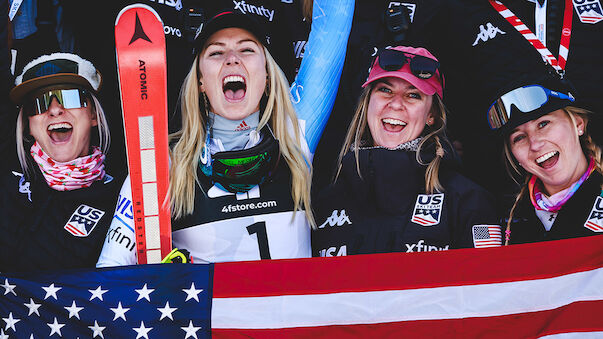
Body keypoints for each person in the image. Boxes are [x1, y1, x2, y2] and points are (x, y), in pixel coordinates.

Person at [97, 0, 354, 266]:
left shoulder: (293, 137)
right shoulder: (164, 166)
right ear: (200, 81)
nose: (233, 58)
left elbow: (335, 22)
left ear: (266, 75)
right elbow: (109, 270)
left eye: (247, 49)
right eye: (216, 53)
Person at [312, 46, 501, 257]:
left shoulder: (468, 201)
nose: (396, 104)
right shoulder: (325, 203)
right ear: (367, 103)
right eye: (385, 90)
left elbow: (490, 286)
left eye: (413, 95)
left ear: (432, 116)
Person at [0, 53, 119, 273]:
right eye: (39, 103)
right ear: (28, 124)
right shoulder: (6, 183)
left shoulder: (122, 197)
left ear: (93, 115)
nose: (54, 110)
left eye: (70, 97)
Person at [489, 75, 603, 245]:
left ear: (578, 124)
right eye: (519, 138)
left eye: (543, 124)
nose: (535, 144)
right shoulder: (503, 217)